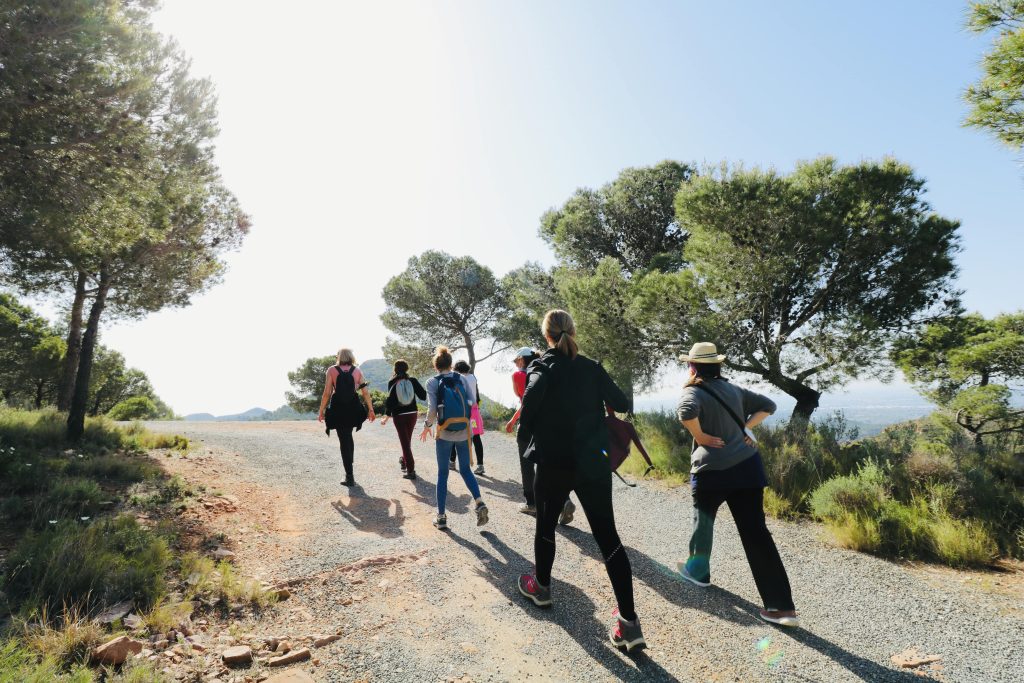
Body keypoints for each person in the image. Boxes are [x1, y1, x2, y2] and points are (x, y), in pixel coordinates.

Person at [515, 310, 645, 652]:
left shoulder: (542, 366)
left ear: (547, 336)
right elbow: (621, 402)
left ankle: (541, 589)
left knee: (545, 526)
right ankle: (629, 625)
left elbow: (527, 412)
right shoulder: (591, 367)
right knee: (609, 539)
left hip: (554, 463)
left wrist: (534, 430)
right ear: (573, 331)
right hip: (593, 464)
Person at [675, 341, 799, 628]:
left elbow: (685, 412)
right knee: (756, 534)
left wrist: (702, 438)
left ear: (693, 367)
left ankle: (699, 572)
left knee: (703, 521)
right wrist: (746, 427)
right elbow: (769, 405)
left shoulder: (693, 391)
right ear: (718, 365)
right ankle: (781, 609)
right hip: (747, 469)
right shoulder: (735, 390)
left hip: (712, 470)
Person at [419, 346, 489, 530]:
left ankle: (441, 517)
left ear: (436, 366)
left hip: (444, 431)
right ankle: (479, 502)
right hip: (464, 430)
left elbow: (432, 409)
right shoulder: (462, 379)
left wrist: (427, 427)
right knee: (465, 469)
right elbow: (472, 402)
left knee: (443, 473)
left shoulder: (432, 382)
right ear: (450, 364)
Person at [506, 347, 576, 525]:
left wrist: (516, 423)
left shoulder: (519, 375)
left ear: (522, 360)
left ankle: (531, 503)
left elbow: (524, 401)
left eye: (516, 361)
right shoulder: (546, 369)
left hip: (529, 424)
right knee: (548, 465)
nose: (516, 364)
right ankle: (564, 500)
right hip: (549, 425)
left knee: (527, 465)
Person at [318, 348, 375, 487]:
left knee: (344, 440)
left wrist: (321, 410)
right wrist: (371, 409)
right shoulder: (357, 371)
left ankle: (349, 476)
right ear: (351, 356)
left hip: (338, 409)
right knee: (348, 436)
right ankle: (350, 464)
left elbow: (327, 392)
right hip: (353, 408)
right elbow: (365, 392)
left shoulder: (332, 370)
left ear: (339, 357)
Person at [380, 359, 426, 480]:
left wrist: (386, 416)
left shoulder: (392, 382)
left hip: (399, 415)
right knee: (407, 440)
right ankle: (404, 460)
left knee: (405, 443)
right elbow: (423, 395)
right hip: (412, 414)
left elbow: (390, 401)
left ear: (395, 369)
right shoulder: (413, 380)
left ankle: (410, 471)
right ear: (407, 369)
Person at [448, 360, 486, 475]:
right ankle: (480, 465)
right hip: (474, 413)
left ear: (457, 369)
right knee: (476, 438)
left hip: (462, 412)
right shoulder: (473, 377)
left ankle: (452, 462)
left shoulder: (459, 378)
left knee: (455, 434)